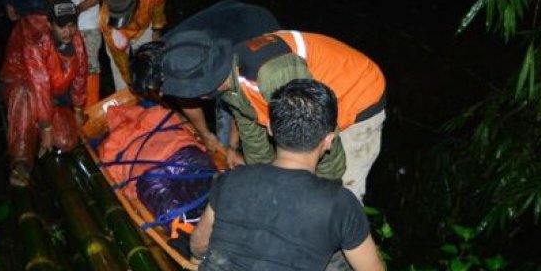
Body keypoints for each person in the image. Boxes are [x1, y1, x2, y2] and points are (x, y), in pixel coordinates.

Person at [184, 79, 386, 271]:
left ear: (269, 129)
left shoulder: (233, 178)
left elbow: (198, 245)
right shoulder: (340, 204)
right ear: (329, 139)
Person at [142, 19, 386, 200]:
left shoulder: (271, 74)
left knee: (340, 193)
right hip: (314, 102)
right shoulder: (228, 78)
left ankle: (342, 253)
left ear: (203, 88)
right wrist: (260, 176)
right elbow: (252, 127)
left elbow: (319, 136)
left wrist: (322, 194)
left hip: (356, 96)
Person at [131, 0, 281, 168]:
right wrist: (205, 134)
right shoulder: (162, 54)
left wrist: (231, 145)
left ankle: (232, 150)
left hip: (256, 28)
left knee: (242, 105)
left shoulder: (189, 61)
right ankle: (224, 145)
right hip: (226, 18)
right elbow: (185, 95)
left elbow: (242, 98)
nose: (159, 94)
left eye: (157, 89)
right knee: (220, 95)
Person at [0, 0, 88, 186]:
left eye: (72, 26)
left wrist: (79, 109)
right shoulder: (35, 42)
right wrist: (46, 127)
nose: (68, 32)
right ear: (50, 25)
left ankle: (39, 125)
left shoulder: (77, 41)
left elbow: (80, 76)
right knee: (25, 94)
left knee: (66, 141)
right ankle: (21, 161)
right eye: (61, 27)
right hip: (25, 85)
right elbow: (40, 84)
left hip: (53, 95)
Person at [99, 0, 167, 91]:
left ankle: (155, 92)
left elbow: (158, 7)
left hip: (144, 27)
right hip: (120, 34)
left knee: (150, 60)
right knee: (119, 69)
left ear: (134, 4)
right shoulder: (105, 20)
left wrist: (157, 29)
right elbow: (119, 56)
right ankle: (124, 94)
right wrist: (129, 82)